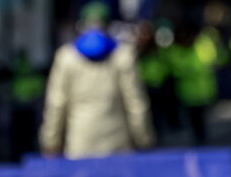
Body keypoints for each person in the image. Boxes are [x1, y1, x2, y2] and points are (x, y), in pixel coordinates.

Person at [39, 2, 155, 158]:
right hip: (118, 145)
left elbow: (56, 103)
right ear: (108, 25)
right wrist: (144, 140)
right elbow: (136, 104)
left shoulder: (66, 57)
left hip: (80, 143)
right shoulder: (123, 56)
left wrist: (51, 141)